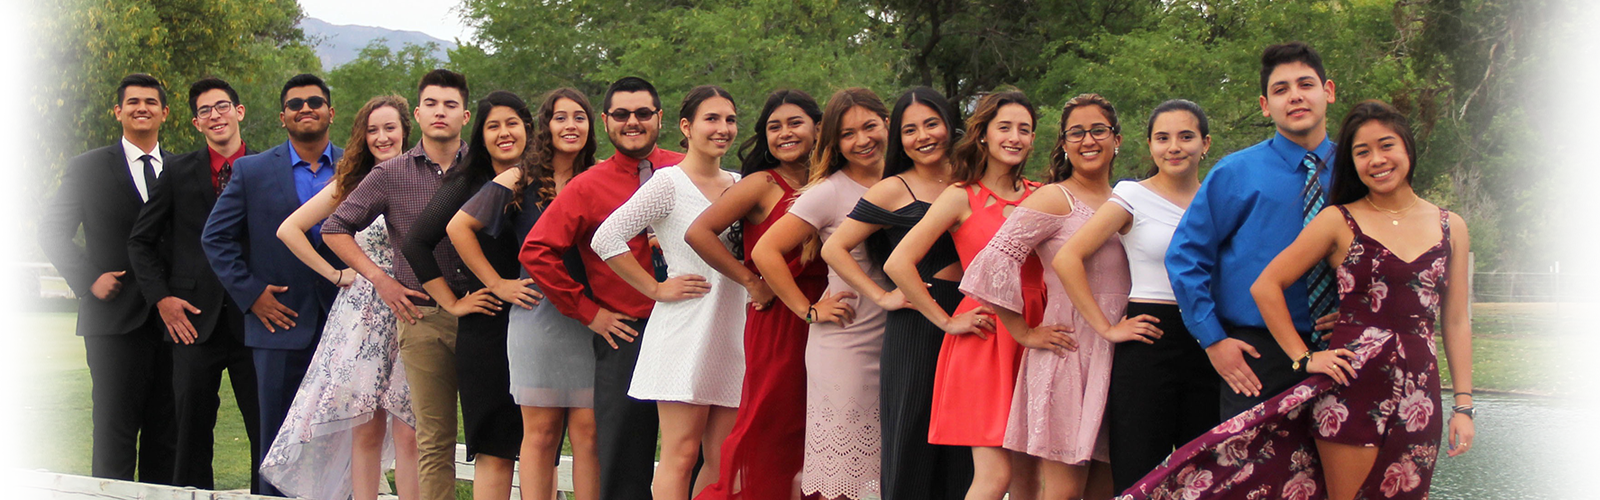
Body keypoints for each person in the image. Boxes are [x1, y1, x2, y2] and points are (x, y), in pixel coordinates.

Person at [1118, 100, 1476, 500]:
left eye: (1386, 145)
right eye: (1362, 152)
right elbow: (1265, 285)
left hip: (1420, 394)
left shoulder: (1451, 227)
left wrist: (1464, 405)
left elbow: (1456, 321)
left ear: (1408, 147)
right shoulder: (1339, 219)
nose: (1377, 160)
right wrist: (1304, 357)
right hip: (1351, 388)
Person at [519, 76, 686, 500]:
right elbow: (537, 251)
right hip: (627, 333)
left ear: (660, 118)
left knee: (694, 454)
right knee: (622, 460)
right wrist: (589, 313)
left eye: (643, 113)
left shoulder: (688, 170)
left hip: (692, 328)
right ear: (606, 121)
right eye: (622, 115)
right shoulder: (588, 185)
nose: (633, 122)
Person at [960, 93, 1129, 500]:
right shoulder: (1055, 198)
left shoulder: (1130, 198)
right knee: (1063, 493)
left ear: (1117, 139)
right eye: (1077, 133)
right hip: (1069, 354)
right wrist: (1023, 332)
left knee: (1107, 491)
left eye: (1098, 130)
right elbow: (992, 263)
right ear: (1064, 144)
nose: (1088, 140)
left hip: (1121, 355)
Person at [1165, 42, 1341, 420]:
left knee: (1339, 476)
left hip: (1340, 347)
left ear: (1328, 91)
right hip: (1257, 356)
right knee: (1251, 476)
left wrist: (1356, 312)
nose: (1294, 97)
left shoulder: (1358, 171)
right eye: (1281, 90)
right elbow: (1185, 257)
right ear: (1265, 105)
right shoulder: (1236, 173)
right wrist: (1213, 340)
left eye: (1305, 85)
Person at [321, 69, 473, 500]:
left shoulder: (485, 168)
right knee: (430, 437)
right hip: (421, 316)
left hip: (485, 311)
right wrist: (380, 280)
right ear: (419, 113)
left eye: (449, 105)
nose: (440, 112)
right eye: (431, 104)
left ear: (465, 114)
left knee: (495, 428)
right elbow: (335, 228)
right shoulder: (392, 174)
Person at [260, 95, 421, 500]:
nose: (382, 137)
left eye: (389, 128)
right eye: (373, 130)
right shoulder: (351, 184)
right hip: (363, 316)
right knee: (364, 425)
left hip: (413, 310)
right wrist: (335, 273)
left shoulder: (423, 179)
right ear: (363, 137)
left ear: (406, 130)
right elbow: (290, 230)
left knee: (409, 429)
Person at [1054, 99, 1218, 492]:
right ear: (1149, 145)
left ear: (1206, 143)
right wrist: (1106, 328)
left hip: (1209, 340)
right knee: (1139, 475)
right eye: (1162, 138)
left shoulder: (1218, 198)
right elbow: (1068, 258)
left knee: (1207, 473)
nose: (1174, 146)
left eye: (1186, 136)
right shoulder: (1132, 195)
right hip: (1149, 339)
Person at [819, 86, 973, 500]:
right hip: (918, 322)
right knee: (912, 443)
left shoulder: (970, 178)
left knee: (967, 450)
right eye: (910, 129)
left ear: (948, 125)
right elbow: (833, 247)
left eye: (931, 124)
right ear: (899, 137)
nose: (923, 136)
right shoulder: (893, 188)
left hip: (973, 315)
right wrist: (882, 296)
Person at [888, 90, 1043, 500]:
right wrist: (946, 319)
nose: (1014, 137)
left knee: (1031, 477)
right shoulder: (960, 195)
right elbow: (898, 264)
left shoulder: (1043, 194)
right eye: (1004, 127)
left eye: (1024, 129)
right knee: (995, 477)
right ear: (983, 136)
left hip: (1039, 332)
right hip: (986, 336)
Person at [592, 85, 745, 500]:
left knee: (722, 456)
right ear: (686, 126)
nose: (723, 128)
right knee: (680, 454)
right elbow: (607, 238)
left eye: (729, 119)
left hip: (736, 332)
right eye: (711, 119)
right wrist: (655, 288)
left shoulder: (742, 183)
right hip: (684, 331)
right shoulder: (669, 183)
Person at [452, 88, 600, 499]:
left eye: (579, 117)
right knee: (540, 433)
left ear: (591, 126)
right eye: (560, 117)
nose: (570, 126)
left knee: (589, 433)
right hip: (538, 321)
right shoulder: (520, 178)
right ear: (546, 126)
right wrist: (497, 284)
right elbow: (458, 228)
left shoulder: (602, 176)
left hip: (593, 318)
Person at [201, 73, 344, 496]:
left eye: (315, 102)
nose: (306, 109)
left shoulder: (358, 166)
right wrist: (250, 295)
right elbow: (215, 238)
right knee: (279, 443)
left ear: (330, 113)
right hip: (279, 326)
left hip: (347, 325)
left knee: (343, 440)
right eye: (295, 103)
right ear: (282, 117)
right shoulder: (252, 171)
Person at [37, 72, 177, 484]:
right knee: (114, 433)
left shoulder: (183, 169)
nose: (141, 108)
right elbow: (51, 231)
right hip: (113, 320)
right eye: (132, 102)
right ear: (118, 112)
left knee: (166, 437)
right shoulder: (87, 169)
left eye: (151, 102)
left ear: (164, 113)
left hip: (174, 323)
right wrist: (88, 278)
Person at [750, 87, 889, 500]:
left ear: (887, 123)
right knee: (841, 477)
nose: (862, 140)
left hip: (899, 339)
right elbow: (765, 251)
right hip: (845, 346)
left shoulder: (904, 179)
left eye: (870, 126)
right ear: (834, 142)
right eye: (848, 134)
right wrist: (807, 311)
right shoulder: (829, 190)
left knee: (885, 470)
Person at [686, 89, 824, 500]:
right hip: (779, 322)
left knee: (816, 431)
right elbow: (698, 233)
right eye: (773, 127)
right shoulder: (761, 184)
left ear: (818, 128)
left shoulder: (832, 182)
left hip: (828, 320)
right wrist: (750, 280)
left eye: (795, 123)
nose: (784, 133)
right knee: (771, 426)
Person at [127, 77, 262, 491]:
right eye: (205, 111)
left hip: (256, 319)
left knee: (267, 429)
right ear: (195, 123)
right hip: (190, 323)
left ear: (239, 112)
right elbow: (140, 242)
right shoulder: (177, 172)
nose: (215, 116)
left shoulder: (267, 167)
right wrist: (162, 300)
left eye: (222, 107)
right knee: (188, 435)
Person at [402, 90, 533, 500]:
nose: (504, 133)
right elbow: (416, 244)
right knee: (494, 445)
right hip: (488, 328)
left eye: (512, 123)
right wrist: (455, 302)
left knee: (538, 442)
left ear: (529, 129)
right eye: (493, 126)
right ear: (480, 135)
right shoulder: (467, 182)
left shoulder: (544, 180)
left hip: (542, 325)